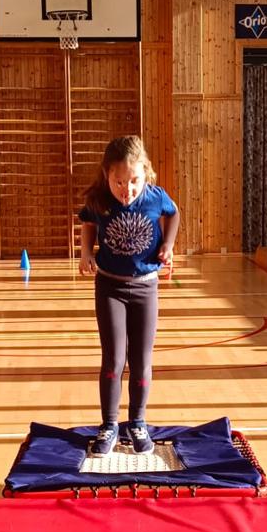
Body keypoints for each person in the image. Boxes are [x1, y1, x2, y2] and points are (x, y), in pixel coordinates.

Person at [78, 135, 179, 456]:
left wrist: (168, 245)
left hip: (146, 287)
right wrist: (85, 252)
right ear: (106, 175)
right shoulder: (99, 199)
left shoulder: (155, 197)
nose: (127, 189)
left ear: (145, 173)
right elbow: (88, 223)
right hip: (110, 287)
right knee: (113, 358)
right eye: (119, 182)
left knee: (141, 360)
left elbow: (173, 213)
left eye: (134, 181)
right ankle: (109, 425)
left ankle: (137, 422)